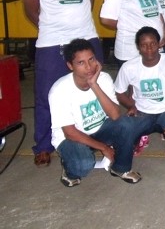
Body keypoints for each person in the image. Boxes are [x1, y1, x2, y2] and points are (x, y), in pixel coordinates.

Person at [22, 0, 103, 167]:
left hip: (87, 39)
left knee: (93, 90)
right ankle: (44, 145)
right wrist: (53, 28)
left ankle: (93, 138)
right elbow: (30, 9)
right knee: (46, 94)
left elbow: (89, 1)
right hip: (51, 44)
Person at [49, 39, 142, 187]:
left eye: (91, 59)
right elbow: (70, 132)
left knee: (127, 124)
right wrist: (104, 148)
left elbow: (115, 116)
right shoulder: (59, 90)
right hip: (72, 138)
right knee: (83, 164)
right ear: (70, 66)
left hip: (99, 130)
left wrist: (94, 85)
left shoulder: (103, 79)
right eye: (81, 63)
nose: (89, 67)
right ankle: (69, 170)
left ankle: (121, 168)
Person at [115, 27, 165, 159]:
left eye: (153, 44)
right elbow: (119, 92)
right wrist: (131, 106)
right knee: (124, 132)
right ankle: (140, 137)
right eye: (144, 45)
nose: (149, 48)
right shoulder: (129, 67)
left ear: (159, 44)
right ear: (138, 47)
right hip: (142, 112)